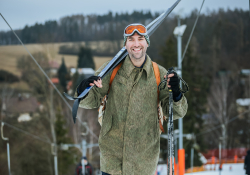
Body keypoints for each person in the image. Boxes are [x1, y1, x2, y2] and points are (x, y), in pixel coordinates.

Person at [76, 23, 188, 175]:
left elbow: (176, 112)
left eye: (140, 39)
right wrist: (83, 90)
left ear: (147, 43)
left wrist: (176, 94)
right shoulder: (111, 69)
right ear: (125, 44)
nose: (136, 44)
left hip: (144, 163)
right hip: (112, 162)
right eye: (131, 39)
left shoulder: (159, 74)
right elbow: (92, 100)